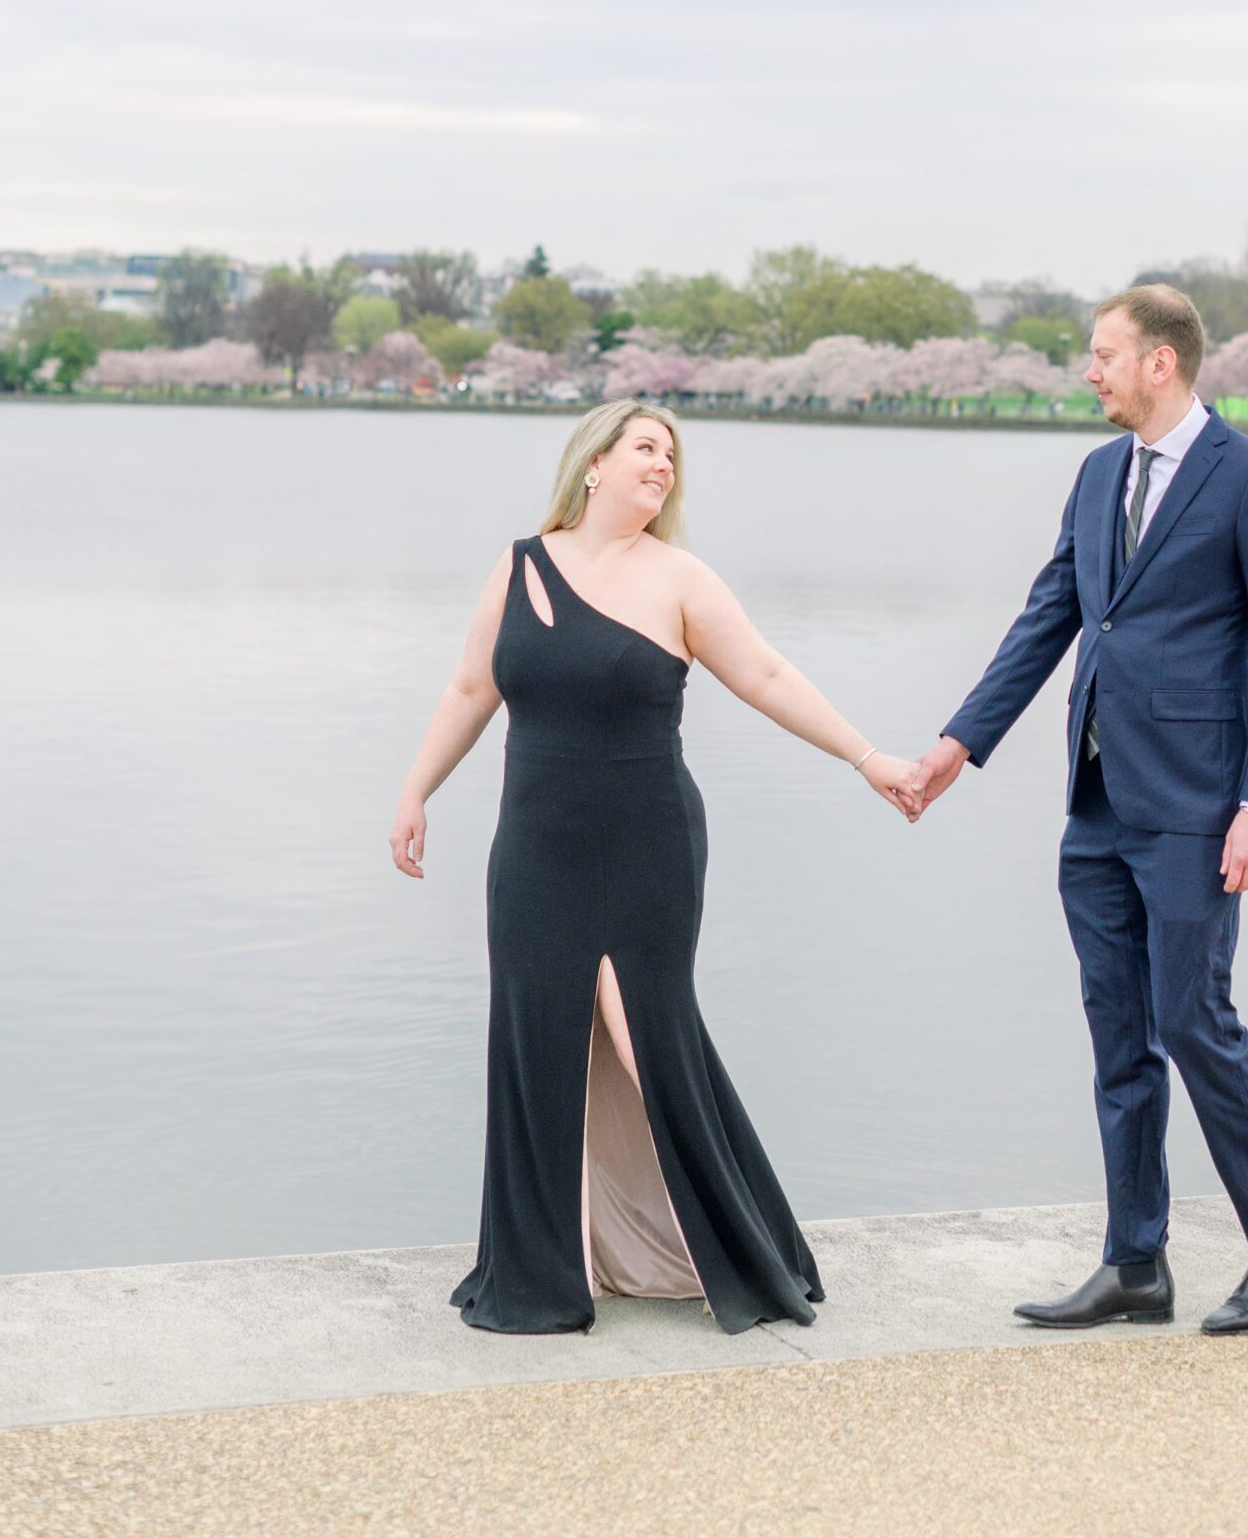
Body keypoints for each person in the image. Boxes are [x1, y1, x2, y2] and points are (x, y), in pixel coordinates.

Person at [389, 400, 921, 1335]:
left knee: (647, 1034)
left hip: (648, 842)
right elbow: (471, 688)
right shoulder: (517, 565)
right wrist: (414, 792)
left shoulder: (680, 578)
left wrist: (865, 756)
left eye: (670, 455)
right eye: (644, 448)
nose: (662, 465)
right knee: (536, 1037)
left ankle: (743, 1251)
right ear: (592, 463)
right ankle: (546, 1268)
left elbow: (764, 677)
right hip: (534, 847)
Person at [911, 286, 1248, 1336]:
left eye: (1103, 355)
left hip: (1197, 803)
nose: (1087, 371)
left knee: (1194, 1019)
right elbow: (1048, 614)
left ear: (1161, 362)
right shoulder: (1097, 474)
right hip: (1093, 801)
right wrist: (960, 742)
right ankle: (1134, 1260)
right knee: (1118, 1034)